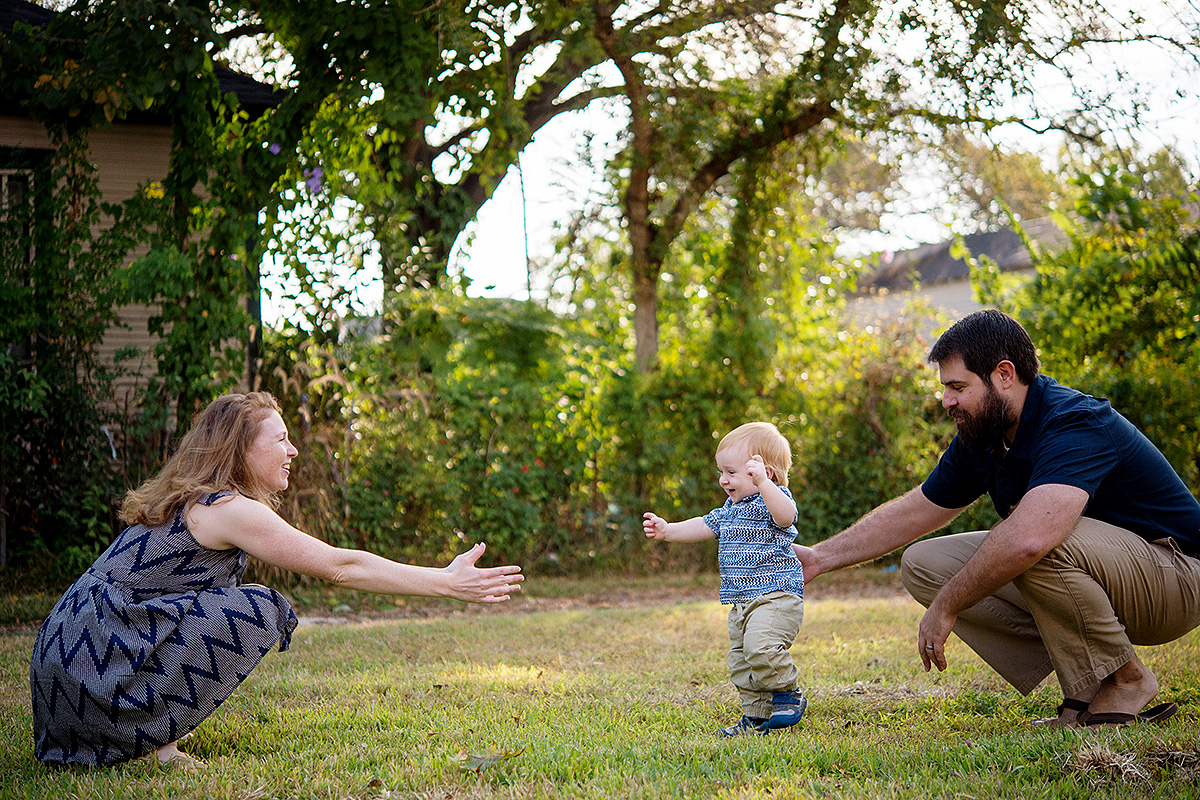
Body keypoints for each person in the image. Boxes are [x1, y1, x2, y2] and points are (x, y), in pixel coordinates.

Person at [30, 391, 524, 768]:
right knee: (257, 608)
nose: (292, 449)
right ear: (241, 449)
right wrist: (445, 581)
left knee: (218, 601)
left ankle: (155, 737)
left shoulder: (194, 498)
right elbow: (339, 566)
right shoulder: (225, 507)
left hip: (65, 669)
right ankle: (149, 735)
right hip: (88, 671)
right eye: (280, 438)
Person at [794, 309, 1200, 727]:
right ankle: (1087, 685)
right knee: (924, 565)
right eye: (945, 388)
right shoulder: (983, 434)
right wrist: (821, 557)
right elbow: (918, 509)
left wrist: (947, 605)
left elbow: (1031, 538)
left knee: (1031, 540)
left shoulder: (1074, 420)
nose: (946, 400)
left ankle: (1127, 678)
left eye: (957, 386)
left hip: (1175, 576)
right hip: (1104, 577)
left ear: (1004, 375)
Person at [643, 421, 807, 737]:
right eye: (722, 472)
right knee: (742, 661)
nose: (723, 480)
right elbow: (704, 525)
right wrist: (668, 530)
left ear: (763, 472)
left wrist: (764, 485)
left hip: (775, 595)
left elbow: (787, 516)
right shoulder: (730, 508)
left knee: (761, 648)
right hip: (742, 601)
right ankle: (757, 716)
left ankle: (788, 693)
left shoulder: (772, 499)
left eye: (731, 472)